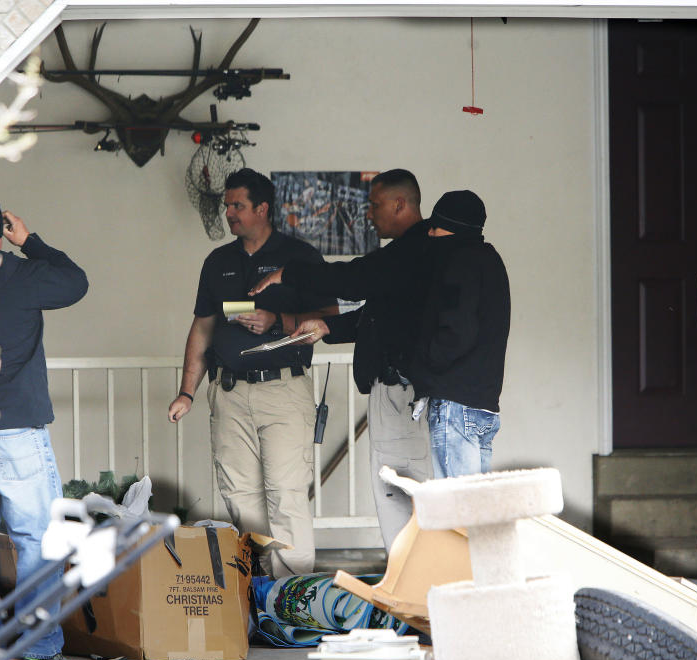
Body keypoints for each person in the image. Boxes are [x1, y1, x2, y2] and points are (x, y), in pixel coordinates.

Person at [248, 169, 433, 552]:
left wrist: (289, 275)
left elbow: (354, 279)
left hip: (403, 390)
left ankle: (411, 581)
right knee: (401, 489)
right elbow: (376, 315)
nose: (368, 213)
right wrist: (328, 327)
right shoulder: (409, 255)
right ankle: (410, 578)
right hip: (403, 389)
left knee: (398, 488)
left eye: (375, 204)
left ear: (401, 204)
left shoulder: (413, 251)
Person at [167, 168, 337, 577]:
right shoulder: (218, 261)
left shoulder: (299, 256)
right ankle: (259, 594)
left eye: (237, 205)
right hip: (227, 391)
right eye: (227, 205)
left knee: (287, 494)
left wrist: (276, 319)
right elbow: (203, 326)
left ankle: (292, 600)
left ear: (262, 208)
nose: (229, 213)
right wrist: (186, 392)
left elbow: (330, 317)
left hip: (284, 389)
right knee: (240, 496)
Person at [0, 193, 88, 660]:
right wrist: (32, 241)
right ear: (0, 228)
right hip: (16, 427)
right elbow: (76, 282)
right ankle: (40, 643)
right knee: (38, 535)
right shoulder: (19, 272)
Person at [410, 190, 510, 477]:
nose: (429, 233)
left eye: (435, 226)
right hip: (484, 406)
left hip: (455, 405)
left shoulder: (458, 261)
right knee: (475, 512)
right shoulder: (490, 260)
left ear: (453, 228)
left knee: (458, 512)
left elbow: (457, 331)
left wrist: (422, 367)